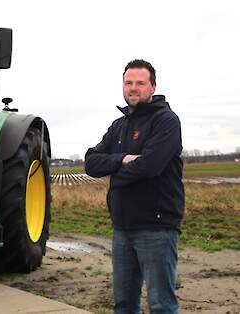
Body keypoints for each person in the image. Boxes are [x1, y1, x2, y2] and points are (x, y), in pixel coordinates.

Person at [84, 59, 184, 314]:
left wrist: (114, 175)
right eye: (128, 83)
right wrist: (122, 160)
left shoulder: (166, 121)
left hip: (157, 227)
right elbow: (91, 163)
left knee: (161, 304)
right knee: (124, 304)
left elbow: (150, 166)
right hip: (122, 228)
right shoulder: (119, 126)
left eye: (140, 83)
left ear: (153, 87)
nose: (133, 88)